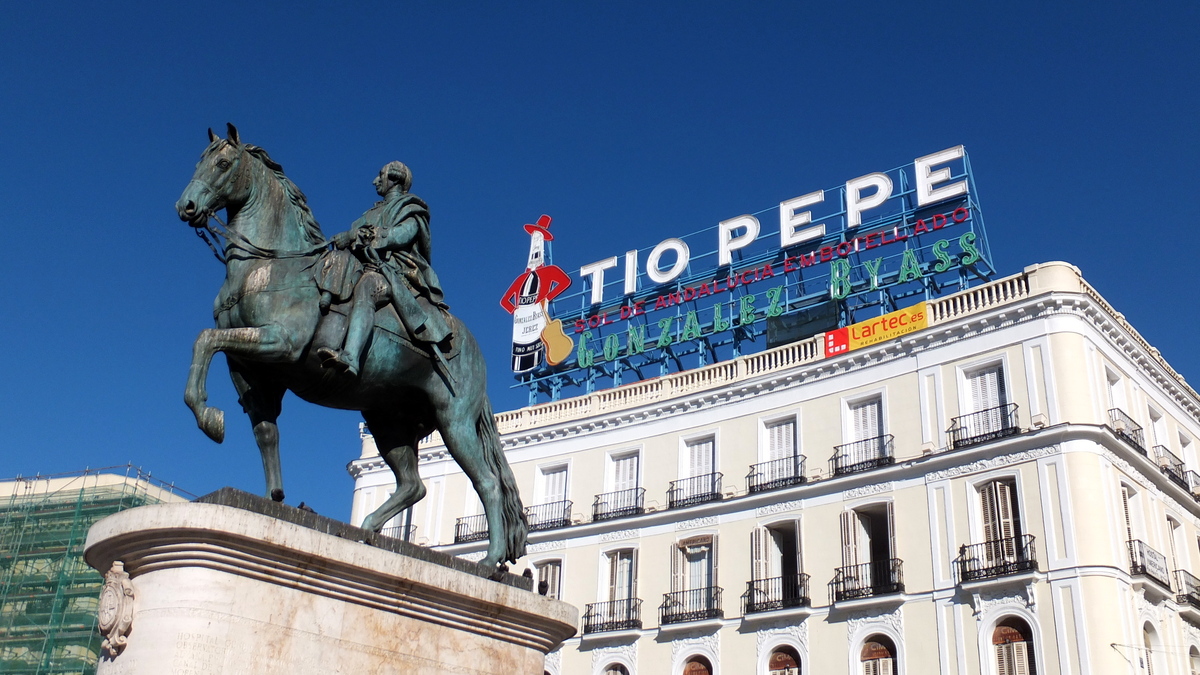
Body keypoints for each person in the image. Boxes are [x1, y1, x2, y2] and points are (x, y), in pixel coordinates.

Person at [319, 161, 452, 377]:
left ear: (395, 178)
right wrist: (346, 239)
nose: (375, 181)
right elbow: (354, 232)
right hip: (362, 265)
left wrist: (357, 236)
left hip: (395, 274)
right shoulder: (371, 212)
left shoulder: (411, 209)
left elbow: (399, 236)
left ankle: (351, 356)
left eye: (381, 176)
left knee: (367, 287)